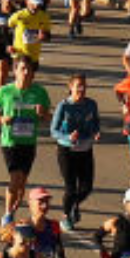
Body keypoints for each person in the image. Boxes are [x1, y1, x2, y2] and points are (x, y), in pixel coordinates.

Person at [0, 54, 52, 225]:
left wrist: (43, 113)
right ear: (15, 71)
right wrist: (1, 119)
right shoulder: (5, 91)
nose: (25, 72)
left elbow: (49, 117)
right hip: (10, 141)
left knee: (21, 183)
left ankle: (14, 204)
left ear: (33, 73)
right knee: (15, 178)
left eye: (29, 69)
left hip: (29, 142)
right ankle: (7, 214)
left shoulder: (40, 92)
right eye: (22, 69)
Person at [51, 73, 102, 229]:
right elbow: (53, 131)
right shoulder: (64, 106)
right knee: (71, 187)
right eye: (78, 86)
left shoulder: (91, 105)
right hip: (66, 150)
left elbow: (96, 123)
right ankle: (66, 215)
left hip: (85, 149)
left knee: (86, 188)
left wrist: (95, 132)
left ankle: (74, 206)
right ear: (70, 87)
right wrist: (68, 137)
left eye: (84, 86)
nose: (82, 89)